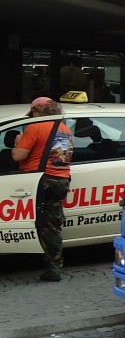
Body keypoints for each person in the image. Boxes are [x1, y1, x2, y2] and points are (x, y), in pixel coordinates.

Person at [10, 97, 74, 282]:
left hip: (40, 179)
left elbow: (17, 156)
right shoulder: (65, 129)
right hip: (61, 179)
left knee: (41, 224)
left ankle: (53, 266)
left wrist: (18, 141)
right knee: (52, 224)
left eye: (33, 113)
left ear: (38, 111)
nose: (32, 117)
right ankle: (52, 262)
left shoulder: (35, 127)